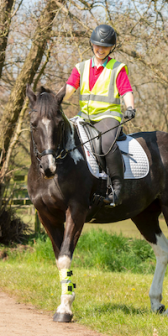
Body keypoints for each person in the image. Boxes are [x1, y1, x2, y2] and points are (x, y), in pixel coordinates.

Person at [63, 24, 135, 206]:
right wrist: (52, 101)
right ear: (91, 44)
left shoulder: (117, 68)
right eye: (97, 45)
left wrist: (130, 106)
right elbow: (69, 88)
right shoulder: (81, 67)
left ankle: (118, 188)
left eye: (105, 46)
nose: (100, 49)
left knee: (105, 143)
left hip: (108, 117)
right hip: (84, 118)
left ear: (111, 48)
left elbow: (126, 90)